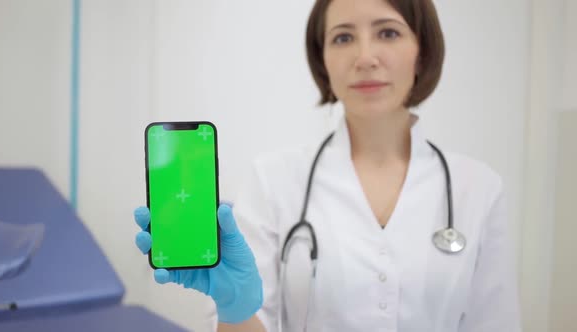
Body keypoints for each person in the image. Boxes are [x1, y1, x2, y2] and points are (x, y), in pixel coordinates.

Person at [134, 0, 522, 331]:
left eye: (387, 33)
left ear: (421, 51)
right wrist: (236, 306)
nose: (365, 57)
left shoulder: (479, 187)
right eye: (343, 37)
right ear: (323, 59)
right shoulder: (274, 179)